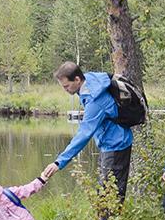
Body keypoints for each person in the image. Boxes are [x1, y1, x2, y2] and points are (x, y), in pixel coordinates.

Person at [42, 61, 133, 202]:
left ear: (77, 79)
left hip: (116, 145)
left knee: (109, 196)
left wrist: (59, 162)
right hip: (110, 143)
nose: (65, 90)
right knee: (106, 191)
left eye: (66, 86)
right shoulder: (90, 80)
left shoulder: (95, 99)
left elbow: (83, 135)